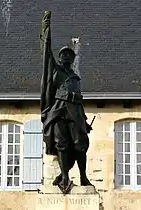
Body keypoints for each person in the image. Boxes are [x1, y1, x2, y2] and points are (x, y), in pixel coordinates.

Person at [40, 11, 93, 193]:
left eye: (70, 55)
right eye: (64, 54)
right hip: (59, 109)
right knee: (61, 142)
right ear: (60, 58)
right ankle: (64, 176)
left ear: (73, 58)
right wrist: (46, 27)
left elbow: (79, 101)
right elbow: (46, 51)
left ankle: (83, 176)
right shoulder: (55, 70)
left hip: (75, 110)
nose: (67, 57)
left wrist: (84, 120)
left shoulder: (76, 77)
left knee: (80, 144)